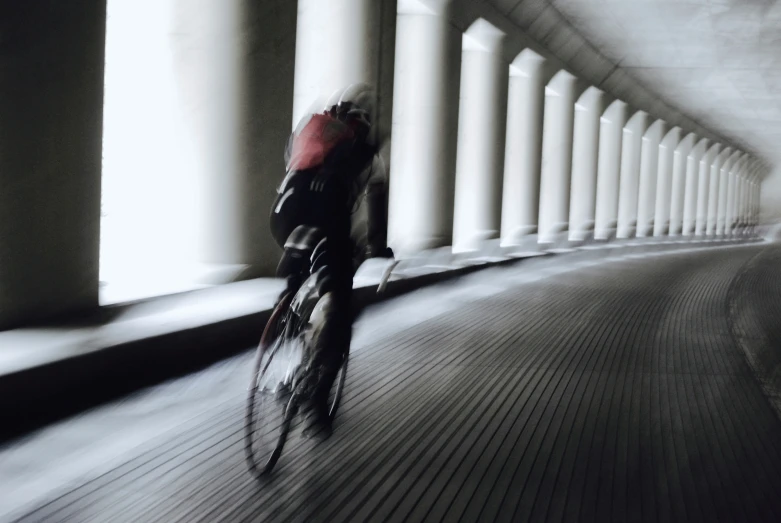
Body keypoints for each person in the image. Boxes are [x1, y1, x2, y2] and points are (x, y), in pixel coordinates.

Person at [269, 83, 393, 437]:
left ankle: (287, 305)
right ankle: (317, 399)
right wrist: (377, 247)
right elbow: (376, 207)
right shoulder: (368, 152)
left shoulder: (311, 129)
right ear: (365, 122)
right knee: (340, 307)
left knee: (300, 265)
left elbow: (291, 164)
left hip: (284, 214)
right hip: (327, 224)